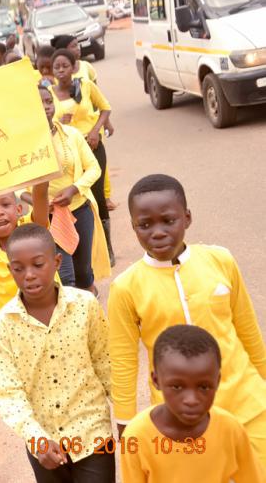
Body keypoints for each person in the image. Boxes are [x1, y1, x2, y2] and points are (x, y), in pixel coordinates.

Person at [109, 174, 266, 466]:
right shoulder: (126, 288)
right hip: (180, 419)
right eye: (145, 225)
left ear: (187, 218)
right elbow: (123, 360)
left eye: (168, 221)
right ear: (133, 227)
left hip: (248, 404)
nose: (157, 232)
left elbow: (247, 329)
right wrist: (125, 421)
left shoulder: (220, 261)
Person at [0, 223, 114, 483]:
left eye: (38, 264)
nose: (29, 275)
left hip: (93, 435)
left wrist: (129, 418)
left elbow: (106, 364)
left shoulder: (85, 306)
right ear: (9, 269)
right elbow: (7, 391)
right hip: (43, 444)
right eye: (18, 268)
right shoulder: (4, 324)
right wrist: (37, 439)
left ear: (57, 261)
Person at [121, 325, 265, 483]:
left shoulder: (230, 431)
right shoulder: (136, 437)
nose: (191, 400)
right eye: (177, 386)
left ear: (217, 382)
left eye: (203, 387)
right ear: (156, 381)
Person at [21, 87, 109, 293]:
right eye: (38, 103)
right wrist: (37, 201)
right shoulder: (24, 145)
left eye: (48, 102)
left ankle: (90, 307)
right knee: (65, 275)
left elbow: (94, 168)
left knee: (84, 272)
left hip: (80, 210)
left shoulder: (72, 135)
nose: (45, 107)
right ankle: (71, 315)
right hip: (48, 218)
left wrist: (74, 190)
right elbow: (18, 188)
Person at [50, 49, 115, 266]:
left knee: (97, 197)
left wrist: (96, 130)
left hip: (91, 145)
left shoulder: (85, 86)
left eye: (64, 66)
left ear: (73, 66)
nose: (60, 70)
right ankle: (79, 252)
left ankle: (107, 246)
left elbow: (105, 108)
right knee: (75, 203)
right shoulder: (48, 94)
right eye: (56, 67)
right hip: (66, 150)